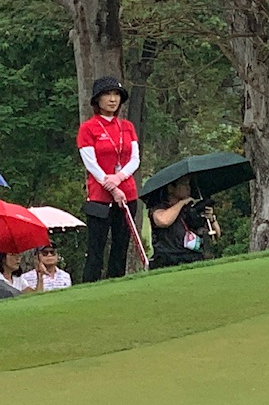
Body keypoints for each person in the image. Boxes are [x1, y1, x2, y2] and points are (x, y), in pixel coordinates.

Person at [76, 75, 141, 281]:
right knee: (96, 248)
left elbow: (135, 159)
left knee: (121, 246)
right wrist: (112, 186)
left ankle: (117, 284)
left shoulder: (127, 126)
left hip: (127, 194)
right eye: (107, 94)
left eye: (116, 95)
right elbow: (91, 163)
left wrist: (119, 178)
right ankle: (90, 285)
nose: (112, 99)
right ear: (98, 99)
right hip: (100, 196)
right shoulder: (88, 128)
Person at [147, 178, 215, 269]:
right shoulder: (159, 208)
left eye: (189, 184)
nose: (188, 187)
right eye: (184, 184)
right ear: (171, 188)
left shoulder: (191, 209)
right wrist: (181, 203)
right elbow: (164, 221)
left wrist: (211, 219)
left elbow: (215, 236)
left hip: (193, 256)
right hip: (168, 258)